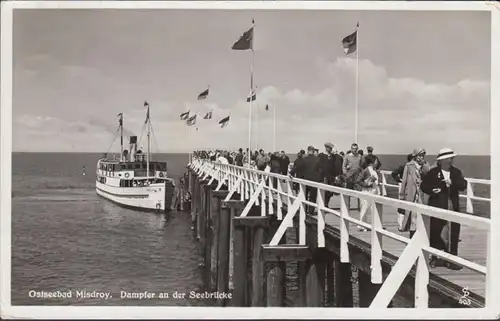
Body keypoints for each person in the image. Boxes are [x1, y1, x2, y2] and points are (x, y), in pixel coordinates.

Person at [421, 148, 467, 270]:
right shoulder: (433, 172)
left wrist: (452, 183)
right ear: (441, 161)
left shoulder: (456, 172)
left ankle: (451, 260)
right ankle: (435, 258)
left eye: (451, 158)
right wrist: (432, 190)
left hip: (452, 207)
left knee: (453, 234)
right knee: (436, 232)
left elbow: (463, 185)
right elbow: (424, 186)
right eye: (448, 158)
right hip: (438, 206)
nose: (450, 160)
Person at [398, 148, 426, 235]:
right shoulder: (409, 166)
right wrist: (402, 196)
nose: (421, 157)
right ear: (415, 156)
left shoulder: (425, 166)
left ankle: (420, 237)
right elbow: (404, 182)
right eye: (419, 155)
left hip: (421, 196)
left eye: (423, 155)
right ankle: (412, 237)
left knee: (421, 217)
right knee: (412, 218)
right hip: (411, 195)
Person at [354, 155, 383, 231]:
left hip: (374, 191)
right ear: (371, 162)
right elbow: (358, 180)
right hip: (367, 191)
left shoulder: (375, 170)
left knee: (374, 209)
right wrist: (366, 184)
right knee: (364, 208)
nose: (377, 162)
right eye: (376, 161)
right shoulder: (366, 170)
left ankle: (376, 225)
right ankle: (361, 225)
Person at [290, 146, 322, 213]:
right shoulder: (318, 159)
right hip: (314, 181)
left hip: (305, 180)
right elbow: (321, 170)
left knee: (305, 196)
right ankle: (311, 211)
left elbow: (297, 167)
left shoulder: (304, 159)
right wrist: (319, 179)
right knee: (313, 197)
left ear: (307, 151)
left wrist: (291, 173)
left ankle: (304, 210)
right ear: (313, 151)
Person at [318, 142, 342, 208]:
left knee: (330, 192)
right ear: (326, 148)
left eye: (331, 148)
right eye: (329, 148)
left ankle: (326, 204)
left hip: (331, 177)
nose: (331, 149)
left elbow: (334, 166)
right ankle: (324, 205)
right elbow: (318, 166)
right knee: (324, 191)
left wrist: (337, 175)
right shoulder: (321, 155)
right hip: (324, 176)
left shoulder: (333, 156)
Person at [343, 143, 363, 210]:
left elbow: (362, 166)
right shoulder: (347, 156)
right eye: (353, 148)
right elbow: (344, 166)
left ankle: (359, 207)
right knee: (348, 192)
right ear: (351, 149)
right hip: (349, 177)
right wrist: (346, 174)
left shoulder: (360, 156)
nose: (354, 150)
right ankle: (347, 206)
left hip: (357, 177)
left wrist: (361, 174)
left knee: (359, 192)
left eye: (356, 149)